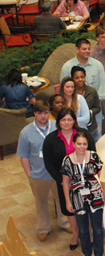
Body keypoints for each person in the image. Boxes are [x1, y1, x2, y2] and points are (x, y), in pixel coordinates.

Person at [43, 108, 96, 250]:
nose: (66, 123)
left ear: (74, 120)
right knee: (69, 209)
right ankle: (75, 234)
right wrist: (60, 179)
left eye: (69, 119)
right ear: (58, 121)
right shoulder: (51, 139)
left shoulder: (84, 135)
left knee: (86, 206)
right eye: (63, 119)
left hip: (84, 181)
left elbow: (93, 155)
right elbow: (48, 163)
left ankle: (89, 234)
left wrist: (88, 175)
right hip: (64, 182)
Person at [17, 100, 70, 241]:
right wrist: (30, 175)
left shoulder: (56, 127)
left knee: (61, 199)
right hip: (38, 175)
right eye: (40, 113)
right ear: (35, 113)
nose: (43, 116)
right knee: (41, 202)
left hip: (57, 173)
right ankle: (43, 228)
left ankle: (64, 222)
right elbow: (24, 157)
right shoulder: (26, 133)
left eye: (46, 113)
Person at [62, 131, 104, 256]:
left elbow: (102, 175)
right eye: (79, 143)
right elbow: (65, 182)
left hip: (95, 197)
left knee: (97, 229)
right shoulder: (67, 160)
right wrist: (68, 201)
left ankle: (98, 255)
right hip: (78, 198)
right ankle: (87, 255)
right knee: (84, 230)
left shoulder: (93, 156)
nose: (81, 146)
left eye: (84, 144)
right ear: (74, 144)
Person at [60, 38, 105, 136]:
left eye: (89, 49)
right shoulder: (67, 67)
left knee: (96, 134)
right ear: (77, 49)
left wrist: (92, 103)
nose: (87, 51)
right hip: (74, 108)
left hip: (94, 106)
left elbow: (102, 85)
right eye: (84, 49)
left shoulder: (97, 65)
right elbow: (63, 88)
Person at [71, 66, 101, 139]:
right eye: (77, 78)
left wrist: (89, 112)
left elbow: (98, 107)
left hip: (91, 127)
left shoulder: (92, 91)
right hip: (73, 128)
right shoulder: (70, 93)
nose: (80, 80)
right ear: (72, 79)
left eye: (82, 77)